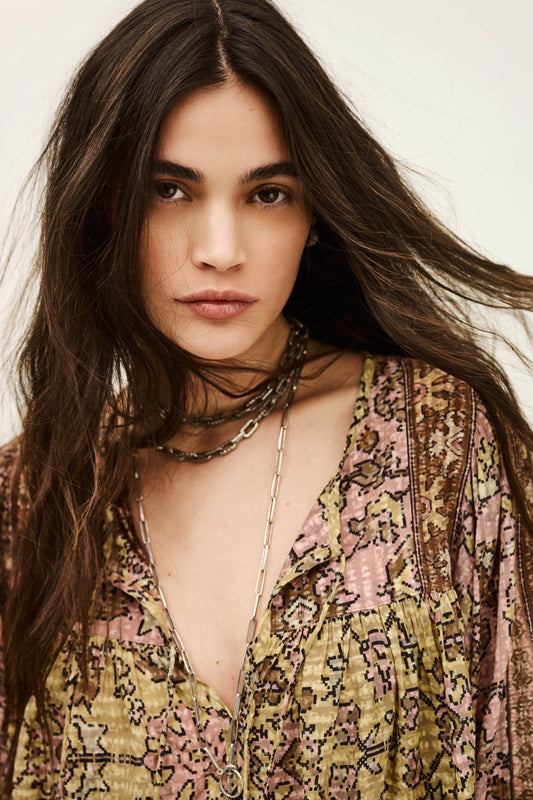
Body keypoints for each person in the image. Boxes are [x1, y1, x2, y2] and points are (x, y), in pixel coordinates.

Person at [1, 0, 532, 796]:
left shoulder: (442, 444)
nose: (220, 250)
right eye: (169, 190)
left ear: (315, 213)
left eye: (268, 194)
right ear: (104, 205)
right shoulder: (32, 498)